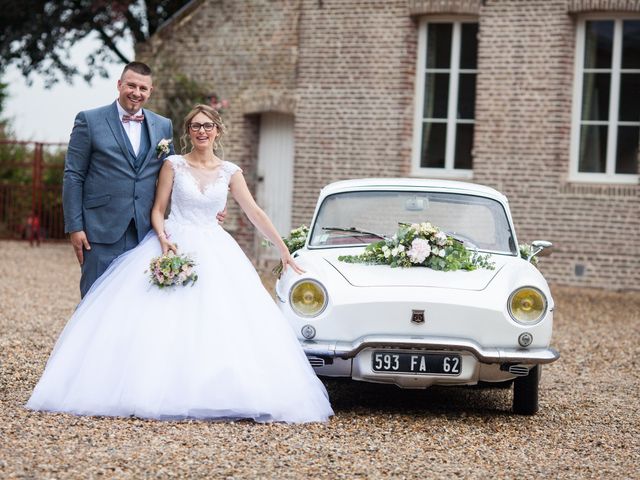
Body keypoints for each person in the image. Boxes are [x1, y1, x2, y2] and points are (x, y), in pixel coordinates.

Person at [26, 104, 334, 423]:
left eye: (208, 126)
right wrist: (162, 238)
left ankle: (214, 389)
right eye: (196, 126)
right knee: (156, 317)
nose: (202, 131)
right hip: (173, 241)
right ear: (188, 132)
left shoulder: (231, 171)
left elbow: (255, 211)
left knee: (221, 318)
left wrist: (283, 250)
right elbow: (158, 209)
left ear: (218, 130)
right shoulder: (173, 164)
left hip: (215, 247)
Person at [63, 61, 224, 298]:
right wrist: (75, 226)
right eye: (131, 86)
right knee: (94, 300)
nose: (136, 93)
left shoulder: (162, 125)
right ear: (119, 85)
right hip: (100, 228)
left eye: (143, 88)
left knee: (137, 302)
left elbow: (176, 173)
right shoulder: (89, 121)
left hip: (145, 231)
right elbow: (73, 175)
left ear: (151, 91)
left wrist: (208, 203)